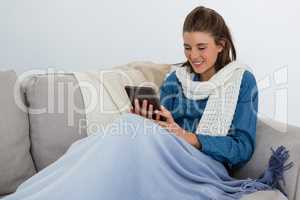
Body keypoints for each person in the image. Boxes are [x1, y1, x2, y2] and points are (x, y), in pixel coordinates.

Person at [3, 6, 291, 200]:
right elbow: (162, 123)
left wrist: (189, 137)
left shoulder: (242, 81)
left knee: (132, 134)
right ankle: (31, 193)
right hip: (167, 150)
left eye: (201, 47)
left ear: (221, 44)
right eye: (187, 48)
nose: (194, 56)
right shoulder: (176, 78)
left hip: (204, 164)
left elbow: (242, 148)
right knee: (126, 128)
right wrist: (149, 118)